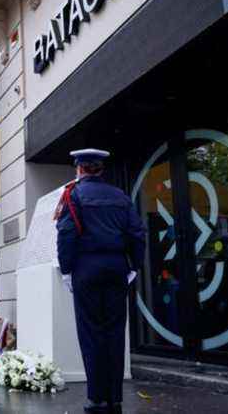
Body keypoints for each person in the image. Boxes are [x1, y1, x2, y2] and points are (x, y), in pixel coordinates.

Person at [56, 149, 146, 414]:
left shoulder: (74, 195)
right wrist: (135, 266)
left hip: (87, 268)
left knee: (91, 332)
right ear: (100, 169)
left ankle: (96, 399)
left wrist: (66, 269)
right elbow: (137, 233)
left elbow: (66, 234)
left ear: (80, 169)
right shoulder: (120, 196)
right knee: (116, 332)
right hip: (117, 267)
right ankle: (115, 399)